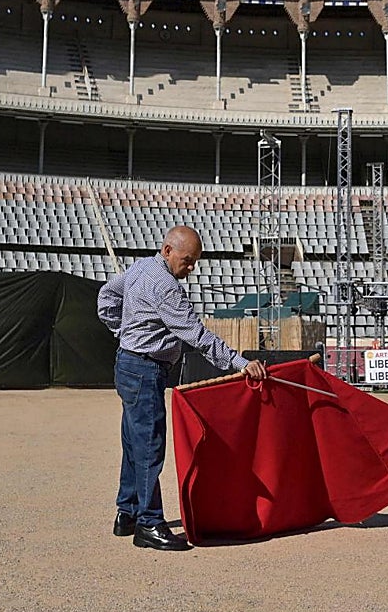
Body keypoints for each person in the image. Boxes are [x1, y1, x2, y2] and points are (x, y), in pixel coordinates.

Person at [97, 225, 266, 551]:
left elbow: (106, 296)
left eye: (195, 262)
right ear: (167, 251)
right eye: (187, 261)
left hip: (129, 363)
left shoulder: (140, 266)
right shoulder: (165, 287)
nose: (190, 269)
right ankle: (149, 523)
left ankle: (127, 512)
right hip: (145, 369)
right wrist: (241, 363)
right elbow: (198, 337)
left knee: (134, 442)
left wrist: (122, 331)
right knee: (148, 446)